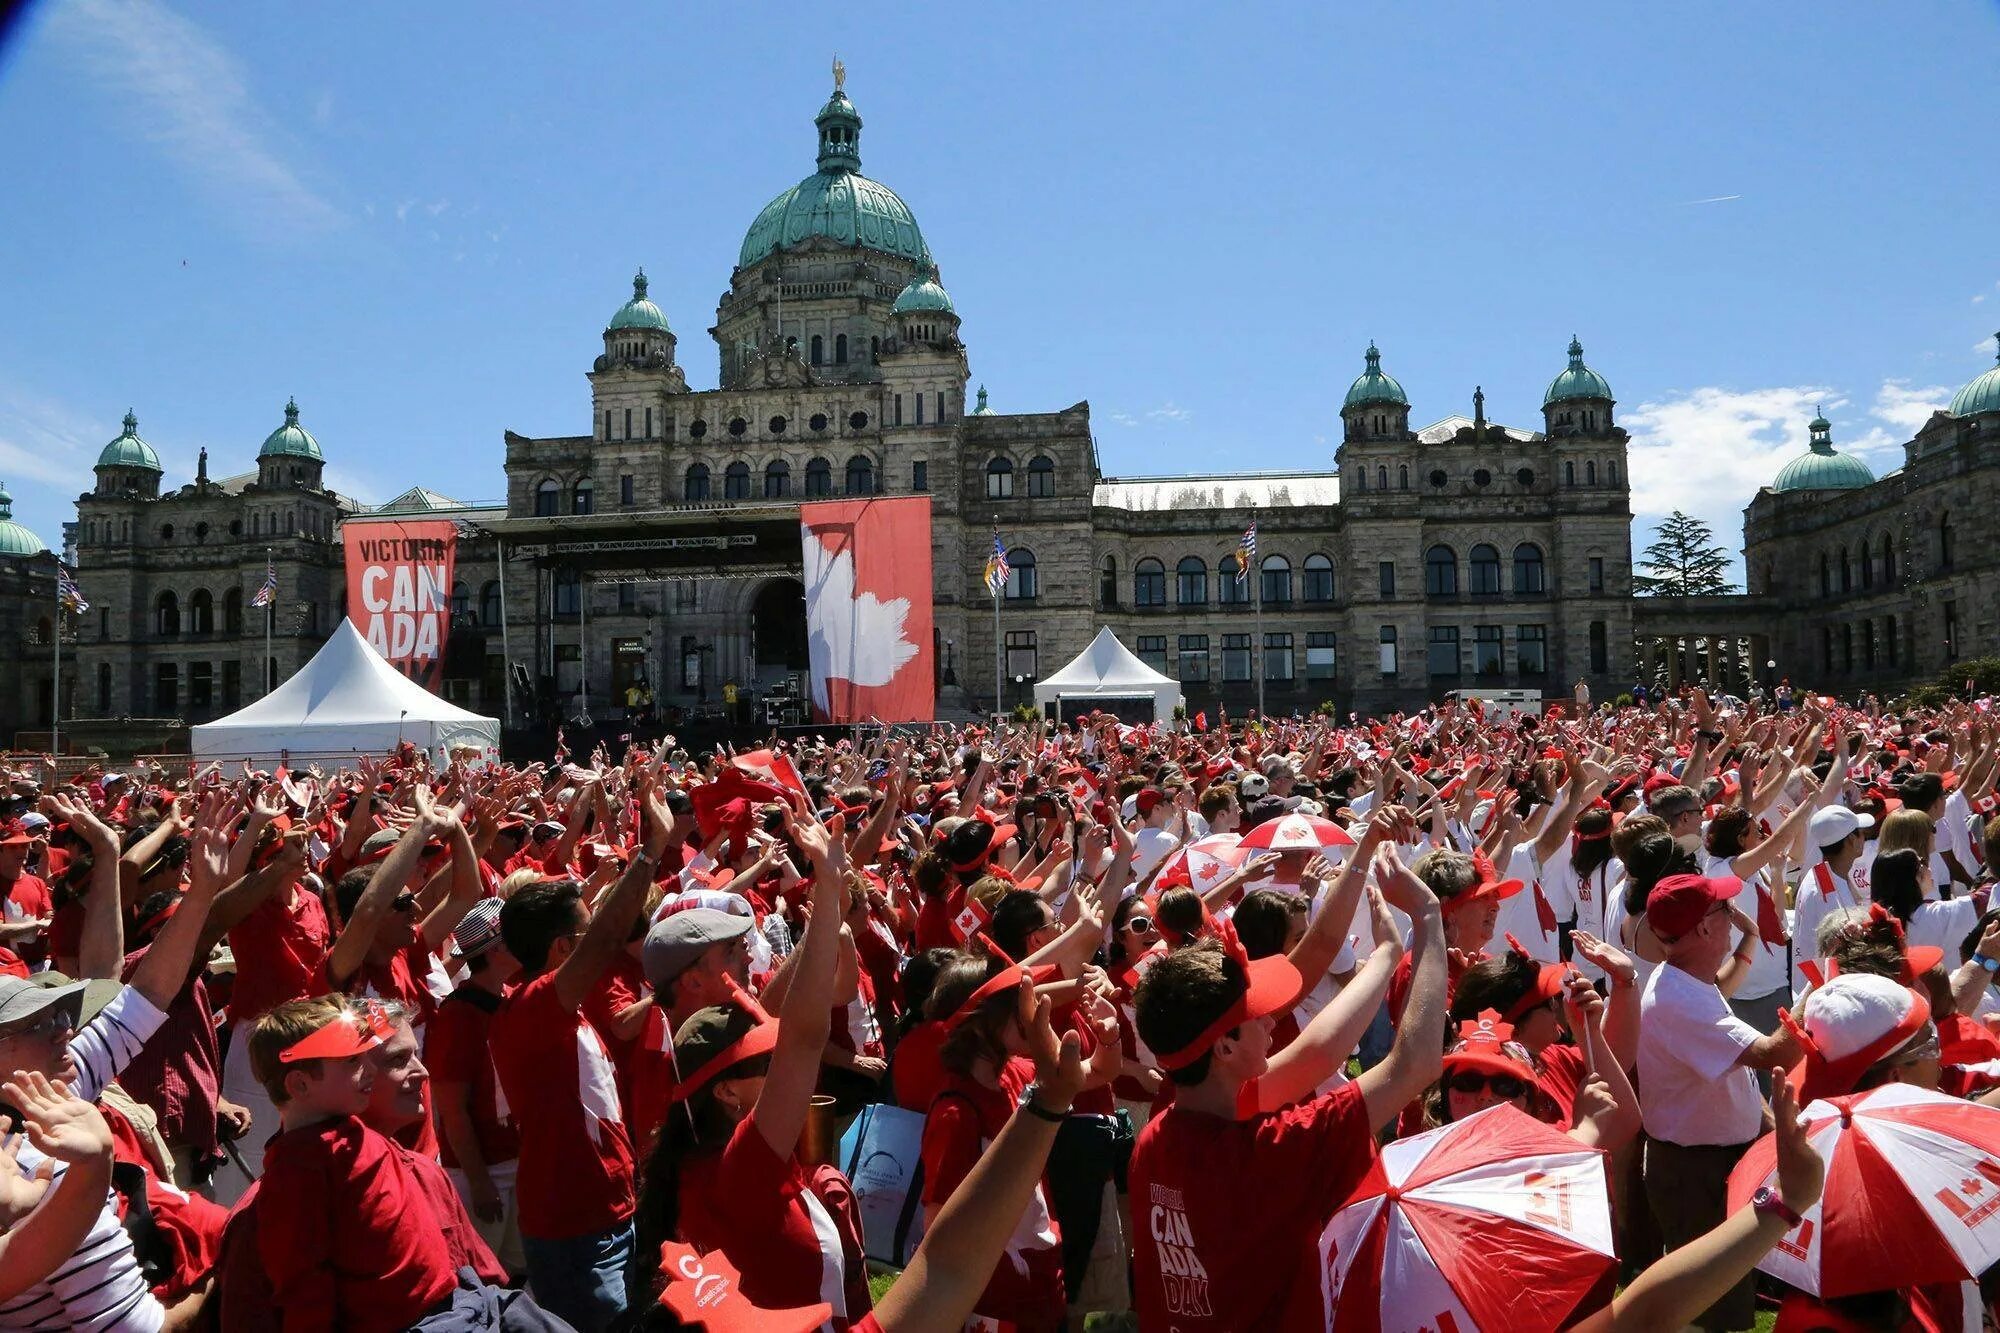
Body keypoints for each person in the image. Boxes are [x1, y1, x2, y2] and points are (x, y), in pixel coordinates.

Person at [1126, 847, 1445, 1330]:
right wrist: (1427, 918)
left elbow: (1316, 1051)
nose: (1273, 1020)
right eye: (1258, 1015)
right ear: (1225, 1049)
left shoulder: (1155, 1139)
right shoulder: (1274, 1148)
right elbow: (1415, 1064)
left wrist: (1382, 957)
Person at [631, 806, 873, 1328]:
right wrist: (828, 898)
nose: (747, 955)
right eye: (766, 1061)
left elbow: (802, 1023)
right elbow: (805, 1041)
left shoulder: (721, 1125)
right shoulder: (737, 1168)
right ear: (725, 1093)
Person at [490, 782, 672, 1331]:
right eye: (584, 932)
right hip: (575, 1222)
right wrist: (650, 852)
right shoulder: (531, 1008)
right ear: (563, 949)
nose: (600, 940)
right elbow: (611, 931)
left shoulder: (553, 1010)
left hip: (607, 1208)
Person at [1638, 872, 1801, 1332]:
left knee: (1726, 1296)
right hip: (1696, 1173)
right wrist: (1826, 991)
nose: (1732, 914)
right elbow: (1776, 1054)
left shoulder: (1690, 981)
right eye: (1724, 909)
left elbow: (1735, 1078)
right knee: (1713, 1310)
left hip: (1711, 1161)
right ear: (1705, 929)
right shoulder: (1679, 998)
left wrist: (1767, 1125)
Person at [427, 897, 526, 1275]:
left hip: (516, 1161)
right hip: (483, 1171)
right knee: (484, 1273)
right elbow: (453, 1109)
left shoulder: (510, 997)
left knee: (519, 1270)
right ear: (498, 947)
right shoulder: (458, 1015)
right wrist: (480, 1181)